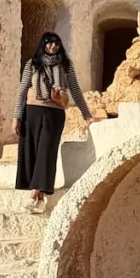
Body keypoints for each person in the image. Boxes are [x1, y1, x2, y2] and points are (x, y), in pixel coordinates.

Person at [12, 32, 95, 210]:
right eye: (49, 43)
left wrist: (86, 114)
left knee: (46, 151)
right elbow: (22, 90)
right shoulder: (32, 64)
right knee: (32, 152)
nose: (52, 46)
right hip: (32, 112)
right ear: (43, 44)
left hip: (54, 113)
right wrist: (17, 117)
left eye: (56, 43)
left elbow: (75, 90)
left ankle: (35, 193)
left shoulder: (65, 65)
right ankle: (38, 195)